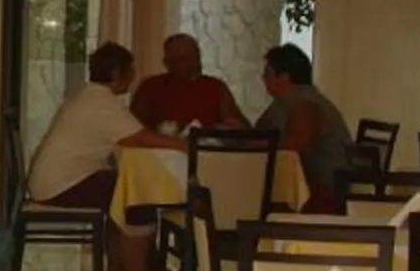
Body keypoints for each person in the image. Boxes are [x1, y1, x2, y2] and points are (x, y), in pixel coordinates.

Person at [24, 41, 175, 271]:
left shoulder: (89, 96)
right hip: (61, 184)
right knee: (136, 198)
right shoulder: (100, 102)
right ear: (117, 73)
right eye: (131, 70)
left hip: (55, 180)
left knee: (122, 191)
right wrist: (180, 144)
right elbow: (139, 138)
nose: (134, 76)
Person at [254, 44, 355, 213]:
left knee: (261, 195)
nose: (263, 78)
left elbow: (298, 144)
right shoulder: (283, 102)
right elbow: (260, 130)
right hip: (307, 182)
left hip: (324, 189)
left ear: (284, 77)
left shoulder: (306, 104)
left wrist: (258, 143)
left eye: (268, 73)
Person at [127, 33, 246, 133]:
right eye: (180, 58)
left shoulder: (215, 87)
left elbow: (237, 126)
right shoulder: (151, 87)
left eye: (192, 56)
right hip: (160, 154)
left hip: (206, 154)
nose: (187, 63)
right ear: (166, 62)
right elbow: (132, 127)